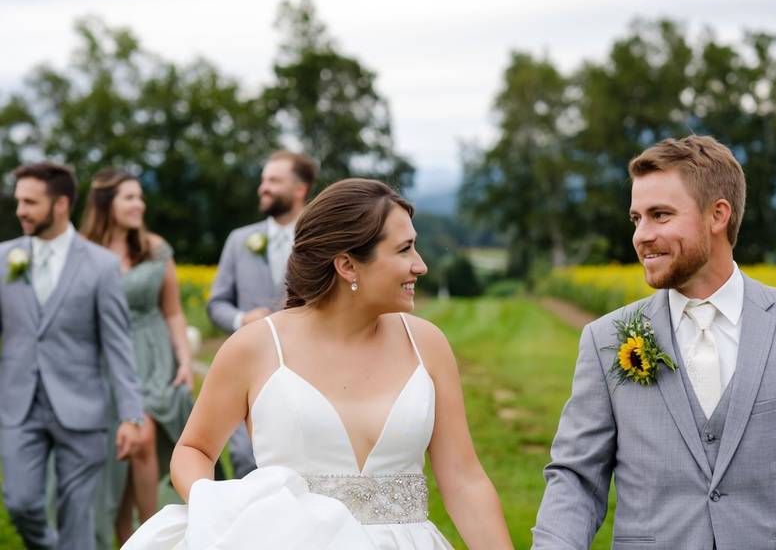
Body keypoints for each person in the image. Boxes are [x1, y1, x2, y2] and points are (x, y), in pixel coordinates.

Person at [534, 136, 776, 549]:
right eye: (636, 219)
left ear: (718, 215)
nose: (641, 236)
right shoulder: (606, 340)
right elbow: (576, 480)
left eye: (660, 215)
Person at [124, 178, 512, 549]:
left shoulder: (427, 345)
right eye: (404, 249)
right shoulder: (256, 347)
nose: (421, 265)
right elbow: (194, 449)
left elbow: (463, 480)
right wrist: (223, 511)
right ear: (347, 266)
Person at [0, 161, 144, 550]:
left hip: (82, 408)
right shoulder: (3, 258)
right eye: (19, 202)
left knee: (76, 517)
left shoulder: (100, 265)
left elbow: (118, 343)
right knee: (20, 502)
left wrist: (131, 415)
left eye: (30, 202)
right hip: (18, 405)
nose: (20, 211)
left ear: (61, 204)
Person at [79, 168, 196, 546]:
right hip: (106, 361)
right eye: (129, 197)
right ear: (105, 203)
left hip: (153, 355)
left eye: (140, 197)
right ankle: (124, 536)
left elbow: (174, 312)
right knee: (121, 454)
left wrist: (183, 360)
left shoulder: (155, 248)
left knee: (143, 437)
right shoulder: (83, 252)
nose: (139, 204)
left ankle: (151, 534)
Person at [206, 149, 315, 478]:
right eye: (263, 180)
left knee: (304, 462)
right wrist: (242, 320)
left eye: (273, 180)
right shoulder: (240, 240)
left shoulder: (320, 241)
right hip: (251, 368)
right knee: (245, 457)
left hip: (308, 367)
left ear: (300, 190)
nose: (263, 187)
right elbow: (216, 303)